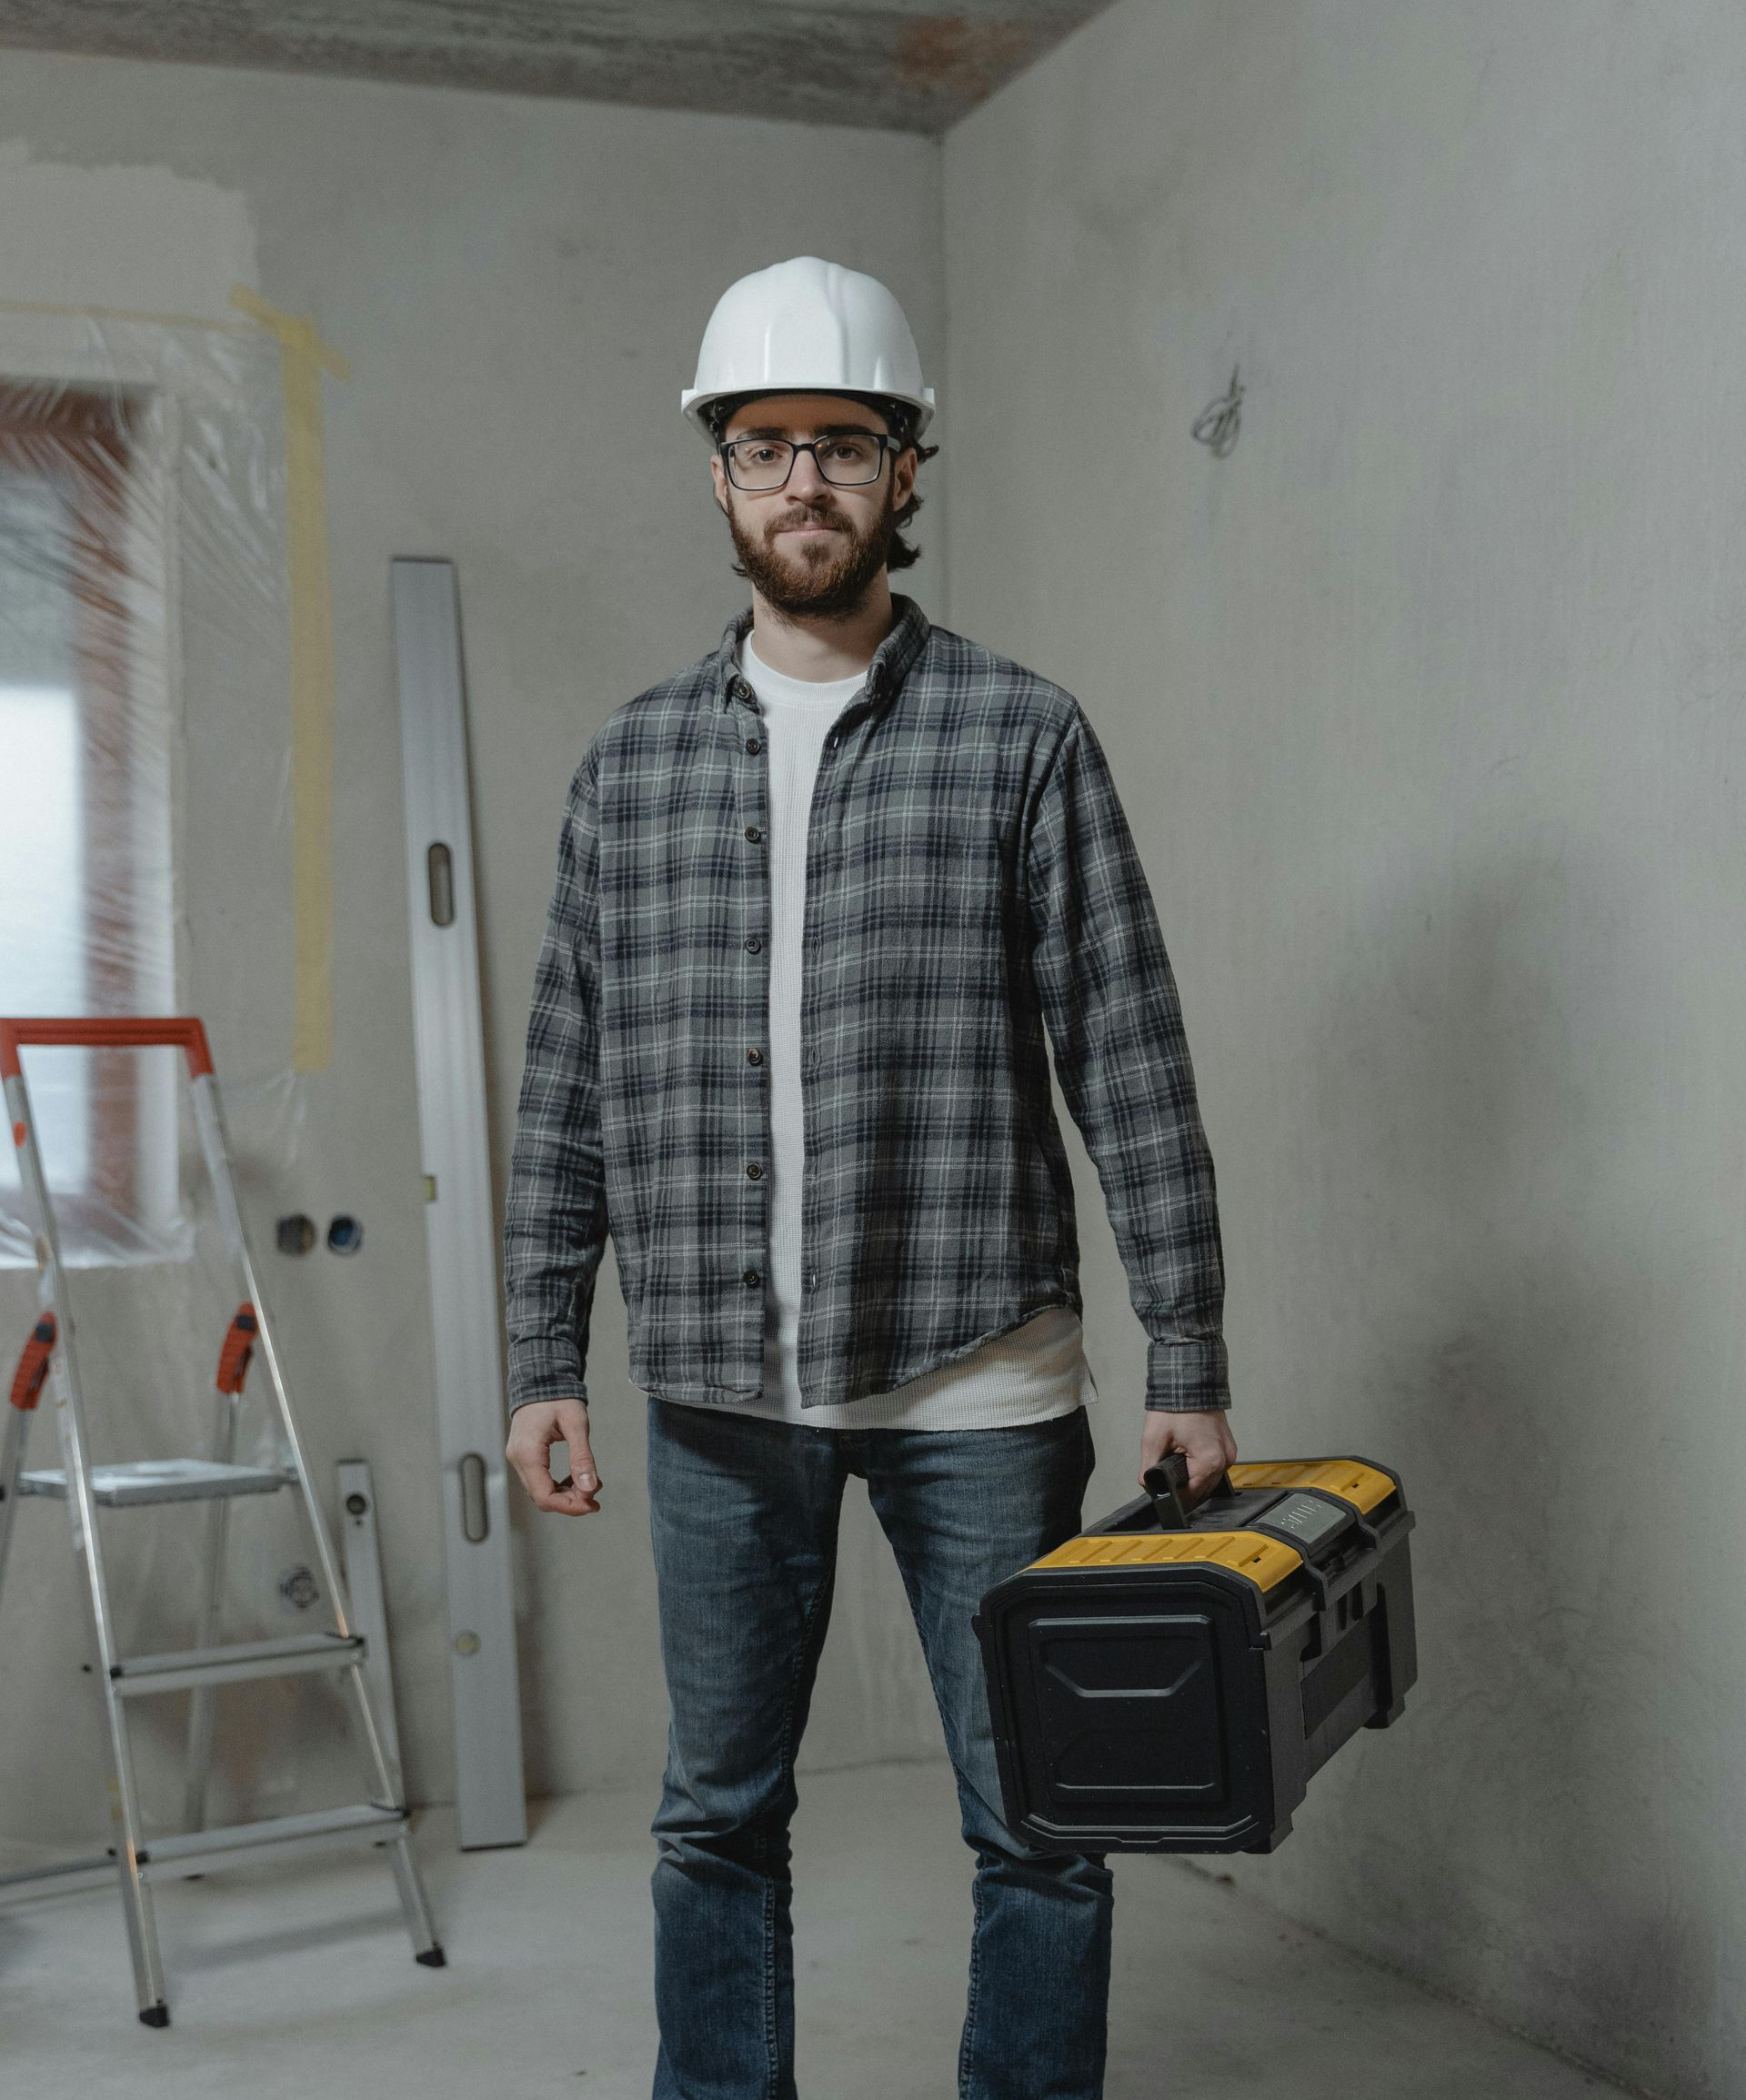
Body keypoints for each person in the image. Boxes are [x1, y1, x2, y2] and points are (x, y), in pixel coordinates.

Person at [501, 254, 1237, 2100]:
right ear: (721, 477)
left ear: (909, 468)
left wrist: (1192, 1352)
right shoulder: (632, 768)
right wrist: (538, 1355)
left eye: (845, 442)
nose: (805, 480)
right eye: (767, 446)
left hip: (979, 1378)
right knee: (713, 1820)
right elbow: (566, 1081)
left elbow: (1128, 1057)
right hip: (717, 1391)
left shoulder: (1023, 736)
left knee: (1041, 1825)